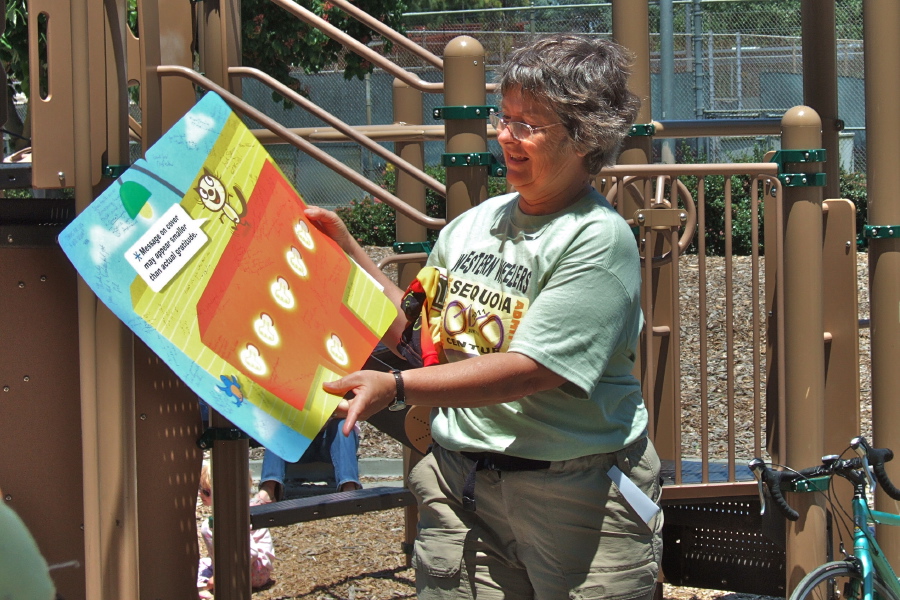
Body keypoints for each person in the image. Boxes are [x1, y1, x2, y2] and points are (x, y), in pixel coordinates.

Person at [305, 34, 662, 599]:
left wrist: (395, 388)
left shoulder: (596, 239)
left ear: (582, 138)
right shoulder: (473, 226)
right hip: (460, 486)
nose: (504, 135)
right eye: (505, 115)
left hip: (575, 495)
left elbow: (530, 369)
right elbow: (417, 331)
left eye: (529, 124)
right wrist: (347, 250)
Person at [197, 463, 275, 597]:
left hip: (255, 571)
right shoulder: (230, 510)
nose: (200, 493)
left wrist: (222, 576)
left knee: (208, 527)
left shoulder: (236, 515)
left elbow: (250, 554)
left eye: (206, 491)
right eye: (200, 488)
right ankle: (213, 579)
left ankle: (218, 581)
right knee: (200, 563)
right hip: (249, 568)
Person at [256, 417, 362, 503]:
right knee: (279, 421)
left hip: (334, 441)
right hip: (299, 443)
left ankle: (349, 487)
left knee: (343, 423)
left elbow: (351, 407)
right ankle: (269, 489)